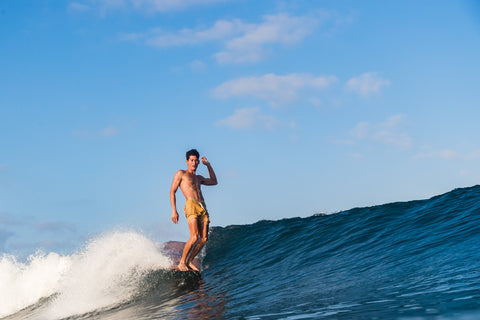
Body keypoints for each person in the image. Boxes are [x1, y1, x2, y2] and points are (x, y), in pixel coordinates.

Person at [170, 149, 218, 271]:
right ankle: (182, 262)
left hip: (202, 206)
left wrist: (208, 165)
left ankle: (189, 261)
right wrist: (174, 211)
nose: (194, 163)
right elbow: (172, 192)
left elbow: (214, 181)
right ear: (187, 161)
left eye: (196, 161)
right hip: (191, 205)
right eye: (192, 160)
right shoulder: (181, 174)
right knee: (194, 236)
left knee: (204, 239)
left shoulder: (199, 178)